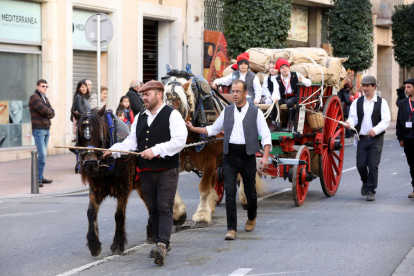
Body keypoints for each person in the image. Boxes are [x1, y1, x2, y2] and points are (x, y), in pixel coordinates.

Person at [103, 80, 187, 265]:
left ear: (158, 93)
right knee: (153, 208)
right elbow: (131, 143)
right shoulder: (140, 116)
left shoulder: (173, 115)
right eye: (142, 95)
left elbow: (180, 140)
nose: (143, 98)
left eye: (147, 94)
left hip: (167, 170)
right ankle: (161, 240)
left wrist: (155, 150)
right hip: (146, 171)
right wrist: (114, 150)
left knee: (165, 206)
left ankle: (162, 244)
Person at [186, 80, 271, 241]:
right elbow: (213, 130)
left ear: (245, 93)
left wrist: (265, 156)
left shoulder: (255, 112)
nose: (235, 94)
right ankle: (231, 229)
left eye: (238, 91)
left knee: (251, 194)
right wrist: (194, 129)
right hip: (230, 155)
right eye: (233, 91)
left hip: (247, 156)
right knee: (230, 193)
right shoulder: (227, 111)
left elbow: (266, 136)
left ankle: (252, 216)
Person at [345, 76, 391, 201]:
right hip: (362, 138)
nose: (364, 88)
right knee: (360, 165)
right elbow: (353, 118)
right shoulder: (357, 102)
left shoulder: (382, 102)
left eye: (367, 86)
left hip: (376, 139)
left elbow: (386, 120)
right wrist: (349, 123)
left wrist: (375, 130)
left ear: (374, 86)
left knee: (373, 165)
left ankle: (371, 190)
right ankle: (365, 182)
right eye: (363, 85)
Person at [270, 59, 312, 132]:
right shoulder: (277, 79)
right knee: (274, 103)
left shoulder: (295, 74)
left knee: (290, 102)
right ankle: (274, 123)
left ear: (289, 68)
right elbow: (276, 91)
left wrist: (302, 81)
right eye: (282, 68)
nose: (285, 69)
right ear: (279, 70)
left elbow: (309, 83)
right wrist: (275, 98)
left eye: (286, 67)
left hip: (295, 96)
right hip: (284, 96)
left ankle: (290, 123)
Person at [29, 79, 55, 187]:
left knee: (43, 155)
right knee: (42, 154)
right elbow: (44, 110)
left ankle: (40, 176)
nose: (45, 88)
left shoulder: (45, 98)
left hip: (46, 129)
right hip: (39, 129)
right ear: (38, 87)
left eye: (46, 86)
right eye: (43, 86)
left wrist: (48, 112)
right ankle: (38, 178)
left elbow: (52, 112)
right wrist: (48, 112)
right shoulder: (34, 97)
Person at [396, 78, 414, 198]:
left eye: (409, 87)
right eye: (405, 87)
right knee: (412, 165)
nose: (406, 90)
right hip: (408, 139)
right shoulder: (403, 103)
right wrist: (400, 138)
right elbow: (399, 121)